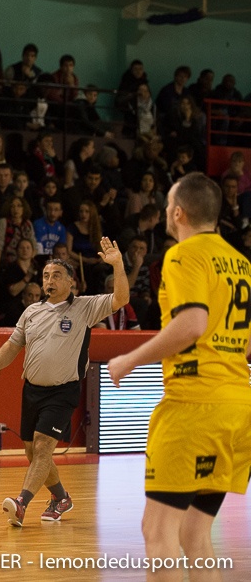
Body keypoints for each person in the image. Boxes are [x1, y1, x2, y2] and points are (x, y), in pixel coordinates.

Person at [107, 173, 251, 577]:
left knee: (157, 531)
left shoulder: (183, 255)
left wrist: (129, 360)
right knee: (194, 534)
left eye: (169, 203)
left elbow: (192, 324)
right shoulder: (241, 263)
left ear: (177, 212)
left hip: (195, 405)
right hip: (238, 406)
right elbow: (245, 344)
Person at [0, 238, 128, 527]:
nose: (50, 281)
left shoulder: (85, 307)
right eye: (46, 276)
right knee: (32, 451)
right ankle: (61, 498)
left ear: (71, 282)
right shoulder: (31, 311)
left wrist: (118, 265)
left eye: (57, 276)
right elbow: (13, 344)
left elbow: (121, 299)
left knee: (42, 448)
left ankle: (21, 503)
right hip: (32, 390)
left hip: (63, 390)